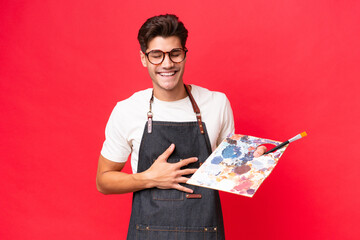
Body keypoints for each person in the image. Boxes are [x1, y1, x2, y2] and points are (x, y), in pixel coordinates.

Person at [96, 14, 266, 240]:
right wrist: (151, 178)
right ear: (143, 58)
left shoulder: (217, 103)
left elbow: (228, 174)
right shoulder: (127, 110)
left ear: (184, 54)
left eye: (174, 53)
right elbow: (103, 181)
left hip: (204, 233)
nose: (167, 64)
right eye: (156, 55)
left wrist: (253, 162)